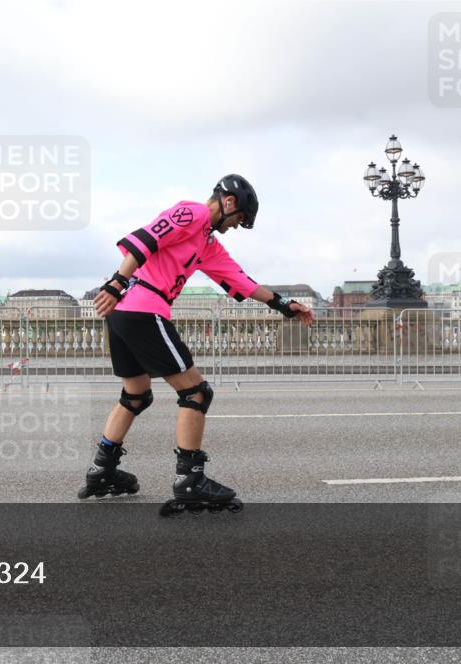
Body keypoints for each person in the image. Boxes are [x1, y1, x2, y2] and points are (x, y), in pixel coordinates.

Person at [78, 174, 315, 514]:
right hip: (143, 308)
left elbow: (239, 280)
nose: (236, 226)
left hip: (125, 313)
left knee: (135, 395)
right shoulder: (194, 213)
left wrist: (282, 304)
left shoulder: (206, 243)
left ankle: (102, 469)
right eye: (240, 220)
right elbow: (147, 239)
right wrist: (118, 280)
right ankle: (189, 478)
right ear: (229, 203)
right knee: (196, 393)